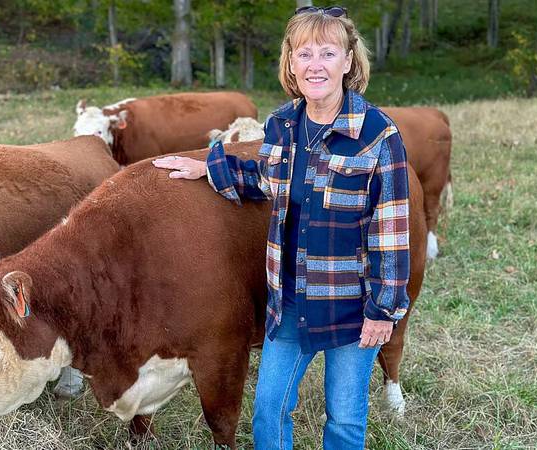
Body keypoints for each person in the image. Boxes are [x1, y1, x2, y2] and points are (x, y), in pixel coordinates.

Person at [152, 6, 410, 450]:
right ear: (290, 62)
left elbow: (391, 230)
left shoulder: (377, 135)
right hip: (291, 298)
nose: (315, 65)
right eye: (304, 53)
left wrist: (383, 310)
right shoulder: (283, 124)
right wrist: (206, 168)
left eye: (328, 53)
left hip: (353, 305)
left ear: (348, 60)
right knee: (269, 409)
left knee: (345, 418)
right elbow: (264, 180)